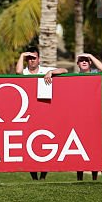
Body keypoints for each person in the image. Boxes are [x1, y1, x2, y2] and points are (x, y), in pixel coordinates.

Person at [17, 49, 67, 180]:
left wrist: (51, 72)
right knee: (28, 143)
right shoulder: (25, 71)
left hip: (44, 111)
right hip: (28, 112)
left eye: (34, 58)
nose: (32, 60)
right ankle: (34, 176)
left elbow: (64, 70)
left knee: (45, 144)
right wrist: (22, 55)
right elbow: (17, 72)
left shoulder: (45, 69)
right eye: (29, 58)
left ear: (39, 59)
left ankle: (43, 176)